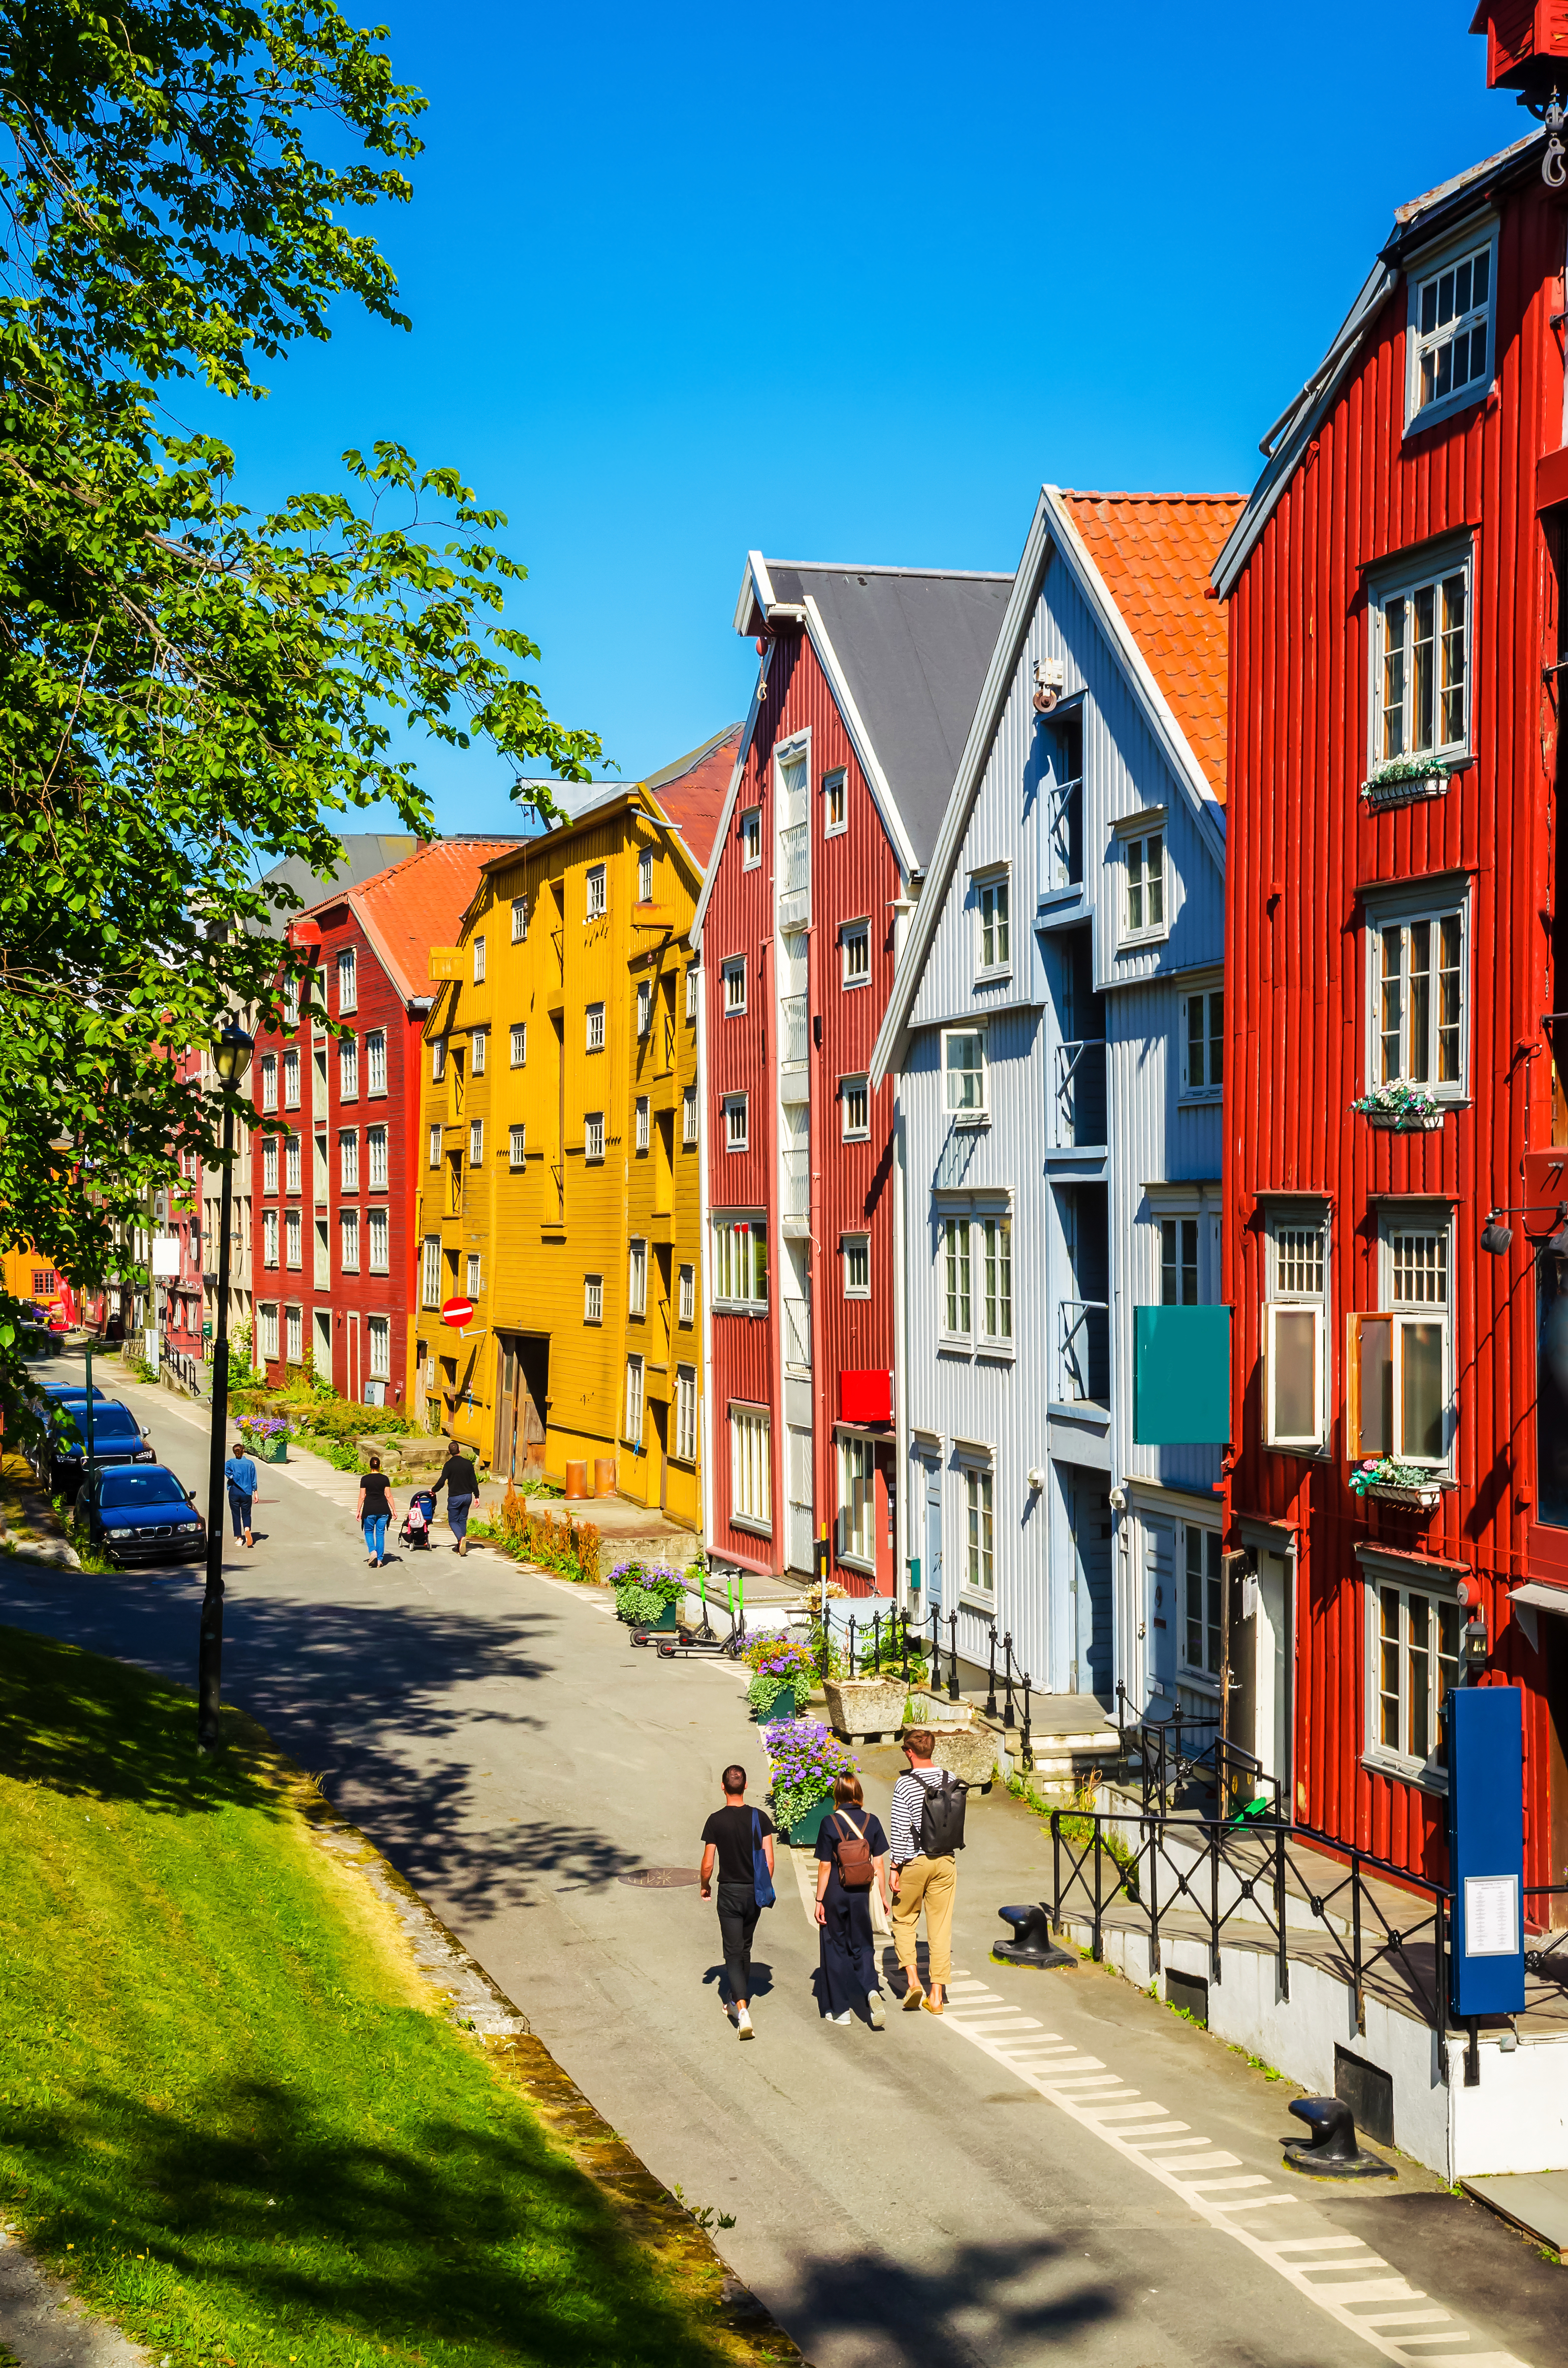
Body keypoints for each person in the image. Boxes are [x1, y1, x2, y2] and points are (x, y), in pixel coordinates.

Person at [699, 1763, 774, 2039]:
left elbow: (709, 1863)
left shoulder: (715, 1821)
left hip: (729, 1892)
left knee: (732, 1951)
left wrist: (705, 1885)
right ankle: (735, 1997)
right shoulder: (760, 1818)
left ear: (722, 1787)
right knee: (744, 1947)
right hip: (754, 1892)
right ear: (745, 1786)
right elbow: (768, 1861)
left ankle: (741, 2009)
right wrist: (762, 1889)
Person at [889, 1727, 959, 2015]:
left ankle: (915, 1981)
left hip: (914, 1861)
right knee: (940, 1928)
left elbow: (900, 1830)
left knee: (904, 1920)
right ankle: (938, 1995)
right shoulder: (951, 1780)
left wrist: (895, 1867)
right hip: (946, 1861)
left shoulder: (904, 1784)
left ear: (909, 1752)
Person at [814, 1772, 889, 2028]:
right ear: (859, 1793)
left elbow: (825, 1866)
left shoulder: (829, 1823)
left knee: (834, 1946)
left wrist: (819, 1899)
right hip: (862, 1893)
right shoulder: (872, 1821)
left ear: (837, 1795)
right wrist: (882, 1895)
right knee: (863, 1944)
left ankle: (841, 2010)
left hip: (836, 1891)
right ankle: (870, 1990)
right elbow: (878, 1862)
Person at [430, 1438, 481, 1555]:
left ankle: (460, 1539)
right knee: (463, 1520)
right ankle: (461, 1548)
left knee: (453, 1520)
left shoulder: (449, 1465)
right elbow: (474, 1481)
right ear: (460, 1450)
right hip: (467, 1496)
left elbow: (442, 1481)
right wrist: (477, 1496)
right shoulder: (468, 1464)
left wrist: (434, 1491)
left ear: (449, 1452)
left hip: (455, 1497)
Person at [356, 1453, 395, 1568]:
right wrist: (394, 1510)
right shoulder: (384, 1479)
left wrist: (358, 1511)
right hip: (383, 1510)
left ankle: (373, 1551)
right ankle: (379, 1560)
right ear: (380, 1466)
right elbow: (389, 1496)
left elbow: (362, 1496)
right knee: (380, 1534)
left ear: (370, 1466)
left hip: (369, 1510)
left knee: (368, 1531)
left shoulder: (365, 1479)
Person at [223, 1438, 257, 1549]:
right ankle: (247, 1529)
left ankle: (239, 1538)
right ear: (243, 1451)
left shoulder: (230, 1463)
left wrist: (232, 1477)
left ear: (234, 1452)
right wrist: (255, 1491)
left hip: (234, 1491)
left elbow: (226, 1471)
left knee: (236, 1514)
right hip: (247, 1492)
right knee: (247, 1513)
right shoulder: (250, 1464)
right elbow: (253, 1479)